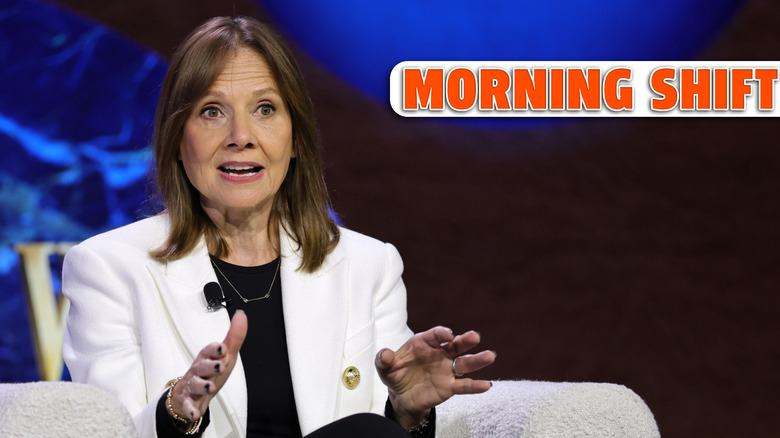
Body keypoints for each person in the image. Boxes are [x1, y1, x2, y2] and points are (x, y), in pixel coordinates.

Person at [62, 16, 496, 438]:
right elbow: (109, 429)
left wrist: (407, 411)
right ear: (178, 139)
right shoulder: (107, 267)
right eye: (212, 111)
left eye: (265, 109)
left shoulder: (369, 265)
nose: (241, 136)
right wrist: (177, 410)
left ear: (294, 140)